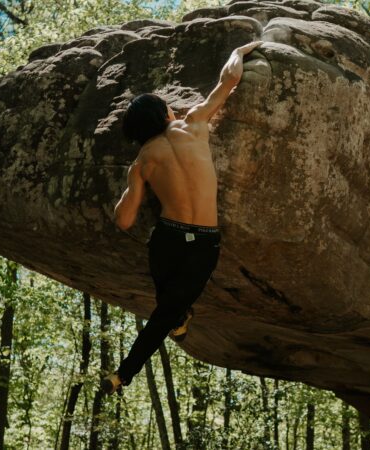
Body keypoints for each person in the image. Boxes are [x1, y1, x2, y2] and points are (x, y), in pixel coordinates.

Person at [102, 40, 263, 394]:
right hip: (203, 242)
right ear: (165, 114)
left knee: (167, 307)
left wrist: (131, 184)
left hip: (168, 240)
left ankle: (127, 370)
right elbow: (229, 80)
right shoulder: (194, 123)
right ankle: (136, 361)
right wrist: (240, 49)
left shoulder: (142, 161)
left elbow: (124, 220)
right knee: (169, 309)